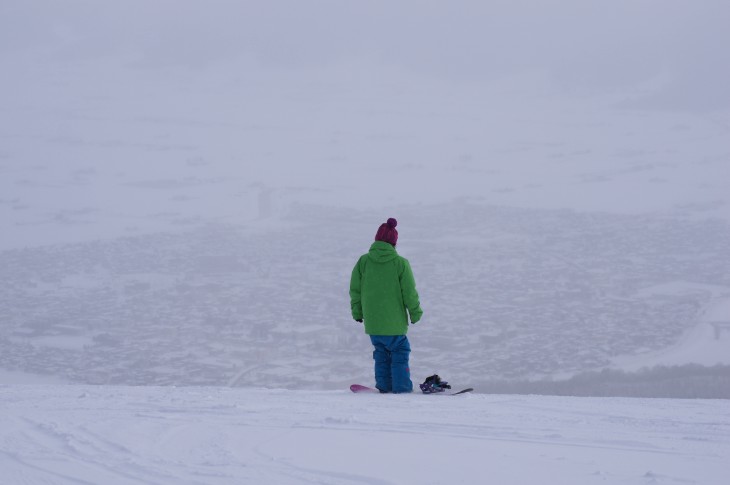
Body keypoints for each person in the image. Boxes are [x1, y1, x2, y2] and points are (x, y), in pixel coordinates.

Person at [349, 218, 423, 393]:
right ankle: (402, 388)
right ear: (394, 242)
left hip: (373, 323)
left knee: (381, 354)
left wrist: (357, 312)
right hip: (395, 322)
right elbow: (409, 292)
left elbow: (355, 290)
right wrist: (415, 313)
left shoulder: (363, 262)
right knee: (400, 352)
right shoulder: (400, 263)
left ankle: (384, 386)